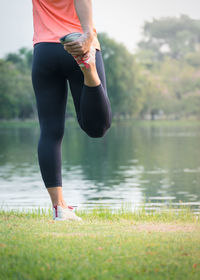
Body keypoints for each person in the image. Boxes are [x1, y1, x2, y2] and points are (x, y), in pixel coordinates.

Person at [31, 0, 112, 221]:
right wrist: (87, 35)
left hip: (44, 50)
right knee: (97, 128)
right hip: (77, 42)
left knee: (49, 131)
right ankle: (89, 69)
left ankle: (59, 208)